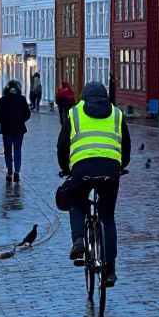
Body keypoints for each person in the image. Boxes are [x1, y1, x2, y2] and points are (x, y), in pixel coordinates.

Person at [57, 80, 131, 286]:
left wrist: (66, 168)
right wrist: (120, 164)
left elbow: (62, 145)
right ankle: (110, 270)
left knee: (77, 203)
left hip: (81, 169)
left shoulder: (75, 113)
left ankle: (79, 241)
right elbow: (126, 144)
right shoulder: (117, 114)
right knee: (107, 216)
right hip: (111, 170)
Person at [0, 79, 31, 182]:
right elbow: (27, 114)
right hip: (19, 129)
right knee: (17, 151)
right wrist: (21, 120)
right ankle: (17, 172)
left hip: (7, 130)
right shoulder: (22, 99)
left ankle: (9, 172)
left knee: (7, 151)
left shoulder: (2, 100)